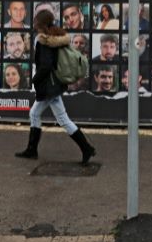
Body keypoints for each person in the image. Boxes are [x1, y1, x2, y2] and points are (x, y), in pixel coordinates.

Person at [15, 10, 95, 164]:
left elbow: (45, 65)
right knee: (38, 114)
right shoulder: (57, 36)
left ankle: (86, 148)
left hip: (48, 85)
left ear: (40, 22)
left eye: (36, 20)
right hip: (54, 83)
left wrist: (35, 79)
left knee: (59, 119)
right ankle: (32, 149)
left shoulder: (43, 40)